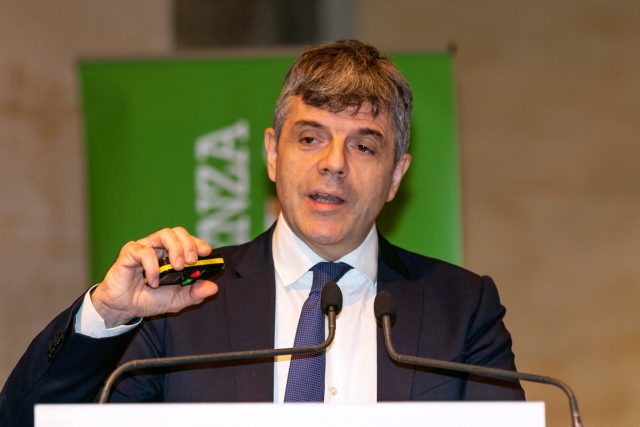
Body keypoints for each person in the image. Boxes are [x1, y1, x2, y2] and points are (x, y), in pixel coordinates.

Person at [0, 40, 524, 426]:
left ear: (395, 176)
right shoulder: (185, 300)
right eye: (310, 138)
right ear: (273, 154)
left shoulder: (462, 309)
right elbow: (27, 421)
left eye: (363, 146)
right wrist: (109, 312)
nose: (334, 164)